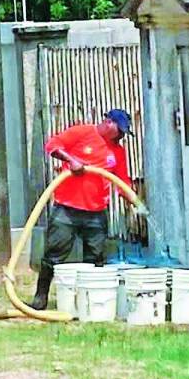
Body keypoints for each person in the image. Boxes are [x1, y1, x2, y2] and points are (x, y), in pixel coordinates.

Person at [29, 109, 132, 311]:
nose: (121, 136)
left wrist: (131, 198)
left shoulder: (118, 151)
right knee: (53, 255)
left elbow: (121, 180)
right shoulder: (82, 132)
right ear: (109, 123)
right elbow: (52, 145)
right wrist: (71, 160)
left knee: (94, 261)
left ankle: (90, 304)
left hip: (96, 213)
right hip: (67, 209)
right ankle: (40, 299)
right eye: (119, 131)